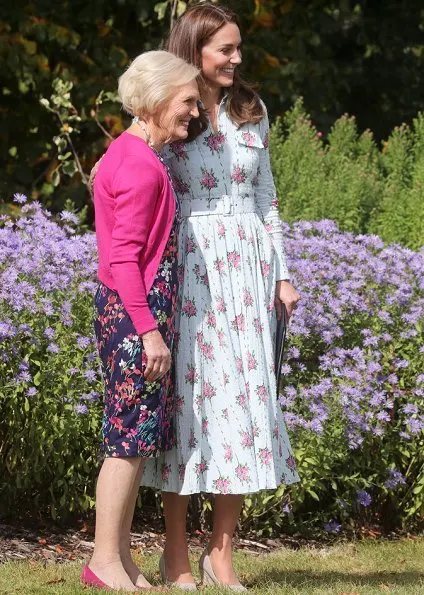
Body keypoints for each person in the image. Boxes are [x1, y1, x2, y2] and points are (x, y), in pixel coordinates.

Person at [141, 4, 301, 591]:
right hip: (188, 266)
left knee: (244, 402)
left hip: (248, 266)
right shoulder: (171, 107)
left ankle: (223, 551)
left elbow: (267, 196)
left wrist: (281, 275)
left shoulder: (251, 110)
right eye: (224, 49)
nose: (236, 59)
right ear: (194, 49)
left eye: (239, 48)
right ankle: (176, 553)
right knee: (189, 406)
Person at [82, 50, 199, 592]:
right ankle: (104, 561)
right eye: (187, 101)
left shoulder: (134, 154)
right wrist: (148, 330)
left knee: (132, 437)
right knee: (125, 441)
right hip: (134, 316)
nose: (195, 113)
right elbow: (124, 259)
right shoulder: (136, 164)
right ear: (154, 101)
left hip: (134, 313)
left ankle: (121, 559)